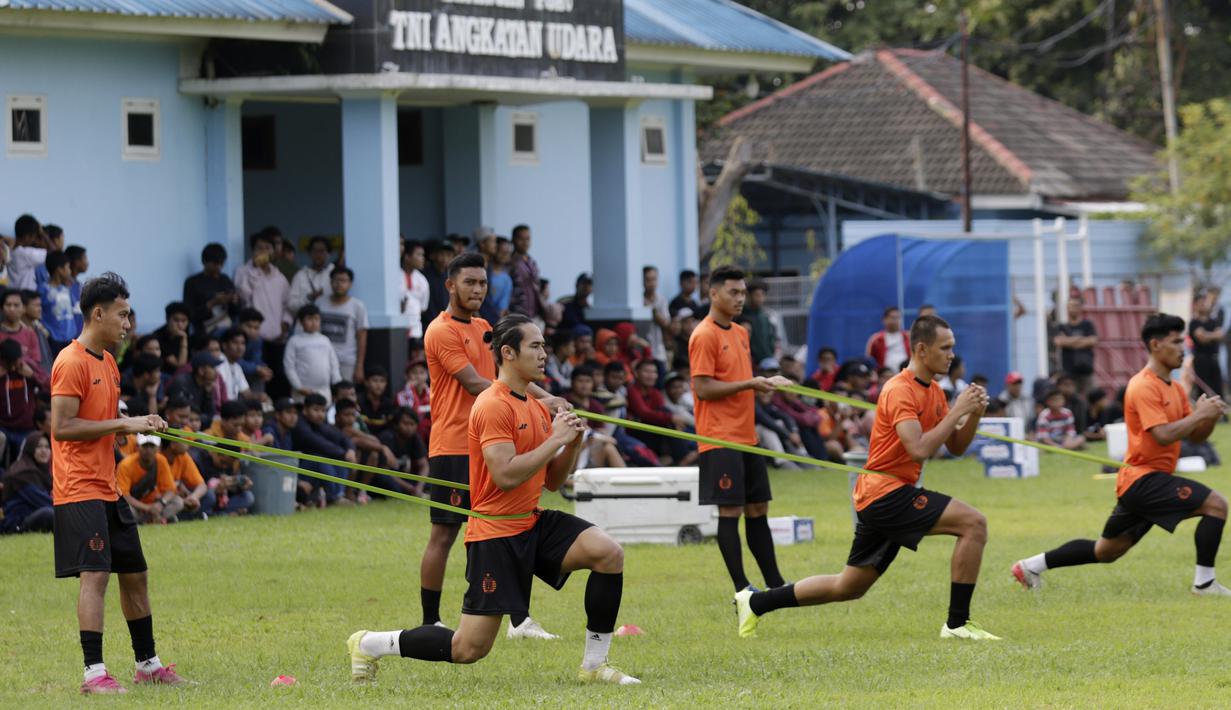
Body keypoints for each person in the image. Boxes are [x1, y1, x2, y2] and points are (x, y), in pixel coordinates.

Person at [348, 315, 639, 686]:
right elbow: (504, 475)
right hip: (495, 535)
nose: (543, 353)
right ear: (507, 352)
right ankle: (369, 643)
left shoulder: (534, 405)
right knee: (468, 648)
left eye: (544, 346)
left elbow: (552, 481)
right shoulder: (491, 405)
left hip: (531, 521)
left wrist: (573, 442)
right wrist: (555, 440)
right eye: (535, 346)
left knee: (608, 553)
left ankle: (594, 666)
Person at [734, 315, 1000, 641]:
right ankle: (957, 624)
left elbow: (956, 446)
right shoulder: (900, 389)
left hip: (884, 494)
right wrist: (958, 412)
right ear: (921, 348)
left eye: (952, 348)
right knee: (974, 523)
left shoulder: (932, 392)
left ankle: (756, 602)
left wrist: (973, 414)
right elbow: (917, 448)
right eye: (945, 348)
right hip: (885, 493)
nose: (951, 355)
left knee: (849, 586)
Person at [1013, 313, 1231, 596]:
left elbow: (1195, 435)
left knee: (1107, 551)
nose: (1183, 349)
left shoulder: (1176, 388)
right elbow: (1162, 434)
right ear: (1155, 345)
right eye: (1176, 342)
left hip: (1143, 481)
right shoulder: (1143, 385)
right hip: (1144, 480)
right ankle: (1204, 583)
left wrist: (1208, 417)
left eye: (1183, 342)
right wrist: (1199, 415)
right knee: (1216, 505)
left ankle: (1030, 566)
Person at [49, 272, 186, 692]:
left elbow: (99, 422)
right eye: (122, 315)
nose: (128, 324)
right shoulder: (69, 362)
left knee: (135, 573)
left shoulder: (108, 363)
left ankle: (147, 665)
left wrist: (124, 427)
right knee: (96, 577)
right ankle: (94, 674)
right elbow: (62, 427)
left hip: (108, 487)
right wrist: (123, 421)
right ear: (98, 313)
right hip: (78, 489)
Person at [420, 252, 565, 639]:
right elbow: (474, 383)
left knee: (513, 525)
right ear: (450, 285)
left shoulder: (485, 326)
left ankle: (518, 620)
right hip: (454, 445)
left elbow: (512, 374)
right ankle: (430, 619)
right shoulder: (441, 330)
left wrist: (549, 398)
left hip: (496, 442)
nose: (477, 289)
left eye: (482, 282)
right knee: (445, 533)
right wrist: (540, 402)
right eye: (469, 282)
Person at [689, 265, 791, 593]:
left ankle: (774, 583)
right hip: (719, 437)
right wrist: (750, 383)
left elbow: (742, 385)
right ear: (713, 293)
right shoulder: (704, 335)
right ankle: (742, 589)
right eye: (733, 292)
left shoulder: (741, 332)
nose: (740, 299)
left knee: (758, 508)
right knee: (730, 511)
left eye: (743, 292)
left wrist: (763, 385)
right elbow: (703, 388)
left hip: (747, 435)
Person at [116, 434, 183, 524]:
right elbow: (124, 496)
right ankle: (150, 520)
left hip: (155, 503)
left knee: (178, 502)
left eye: (152, 446)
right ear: (138, 447)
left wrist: (161, 503)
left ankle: (155, 518)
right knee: (125, 508)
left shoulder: (161, 460)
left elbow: (171, 490)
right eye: (145, 446)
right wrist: (147, 508)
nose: (148, 450)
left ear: (158, 448)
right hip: (136, 505)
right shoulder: (126, 464)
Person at [317, 266, 368, 384]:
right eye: (336, 280)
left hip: (347, 361)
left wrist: (359, 366)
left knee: (345, 395)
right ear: (330, 282)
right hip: (322, 359)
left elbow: (362, 337)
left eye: (343, 281)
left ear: (350, 284)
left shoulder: (357, 306)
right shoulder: (320, 303)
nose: (339, 284)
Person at [283, 304, 341, 402]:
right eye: (309, 319)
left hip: (324, 390)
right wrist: (298, 386)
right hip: (302, 392)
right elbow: (289, 366)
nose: (313, 322)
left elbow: (334, 363)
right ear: (301, 322)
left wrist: (337, 384)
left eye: (316, 319)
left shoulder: (325, 340)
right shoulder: (295, 341)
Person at [1, 432, 55, 533]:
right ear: (30, 448)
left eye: (47, 447)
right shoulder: (23, 473)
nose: (44, 451)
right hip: (16, 524)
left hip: (31, 516)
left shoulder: (40, 471)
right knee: (50, 513)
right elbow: (43, 501)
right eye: (39, 447)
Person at [182, 243, 237, 337]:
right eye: (215, 263)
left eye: (221, 263)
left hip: (228, 323)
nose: (219, 267)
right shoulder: (193, 282)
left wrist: (234, 301)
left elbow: (236, 309)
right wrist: (213, 303)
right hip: (205, 328)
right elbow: (190, 313)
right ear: (204, 261)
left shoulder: (225, 279)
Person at [0, 288, 50, 388]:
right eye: (8, 305)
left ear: (23, 308)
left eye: (16, 305)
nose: (12, 309)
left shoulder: (31, 334)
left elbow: (36, 366)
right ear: (2, 308)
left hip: (26, 392)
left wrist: (30, 372)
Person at [0, 338, 40, 458]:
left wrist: (34, 376)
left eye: (15, 363)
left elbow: (52, 386)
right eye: (9, 364)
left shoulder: (29, 366)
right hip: (3, 427)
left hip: (26, 428)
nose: (13, 368)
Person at [39, 250, 82, 353]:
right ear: (59, 270)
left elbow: (74, 311)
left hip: (70, 339)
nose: (70, 271)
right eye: (67, 267)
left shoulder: (68, 290)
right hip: (54, 340)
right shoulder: (43, 290)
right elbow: (38, 312)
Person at [1052, 296, 1098, 393]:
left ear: (1081, 308)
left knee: (1089, 397)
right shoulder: (1062, 326)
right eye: (1071, 306)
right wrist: (1081, 340)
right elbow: (1059, 342)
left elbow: (1093, 341)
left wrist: (1068, 341)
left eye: (1076, 306)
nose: (1074, 308)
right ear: (1067, 308)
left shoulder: (1087, 324)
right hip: (1069, 372)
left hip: (1086, 370)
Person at [167, 352, 220, 427]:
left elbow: (210, 416)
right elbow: (183, 414)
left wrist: (208, 394)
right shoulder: (182, 383)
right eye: (212, 368)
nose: (216, 372)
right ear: (201, 370)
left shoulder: (206, 385)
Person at [287, 236, 335, 315]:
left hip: (328, 322)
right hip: (305, 324)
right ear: (309, 253)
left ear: (329, 253)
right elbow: (291, 305)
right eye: (314, 251)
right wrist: (309, 298)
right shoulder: (300, 275)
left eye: (322, 251)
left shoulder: (334, 274)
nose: (318, 254)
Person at [1189, 295, 1223, 398]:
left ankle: (1221, 412)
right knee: (1204, 390)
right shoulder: (1194, 323)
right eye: (1201, 303)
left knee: (1217, 388)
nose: (1204, 305)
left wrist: (1207, 335)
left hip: (1213, 358)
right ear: (1195, 305)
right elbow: (1201, 337)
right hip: (1201, 359)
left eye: (1205, 302)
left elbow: (1220, 335)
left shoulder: (1213, 321)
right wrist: (1213, 335)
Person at [508, 225, 544, 321]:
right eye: (521, 239)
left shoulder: (532, 262)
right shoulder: (509, 262)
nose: (525, 243)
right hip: (516, 312)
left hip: (534, 312)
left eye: (527, 239)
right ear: (513, 240)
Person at [10, 214, 53, 291]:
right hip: (26, 297)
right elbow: (54, 254)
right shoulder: (25, 253)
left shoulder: (12, 251)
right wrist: (43, 233)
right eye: (34, 236)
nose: (34, 241)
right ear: (27, 236)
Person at [401, 239, 430, 347]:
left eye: (423, 255)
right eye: (419, 255)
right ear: (407, 257)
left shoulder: (422, 280)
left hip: (416, 332)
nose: (422, 259)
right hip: (398, 331)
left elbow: (423, 308)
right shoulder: (394, 276)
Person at [740, 281, 777, 365]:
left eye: (763, 295)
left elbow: (771, 337)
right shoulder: (741, 315)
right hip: (750, 361)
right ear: (749, 296)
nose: (760, 298)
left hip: (767, 359)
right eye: (757, 295)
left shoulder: (765, 316)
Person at [642, 266, 671, 365]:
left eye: (654, 279)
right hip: (643, 349)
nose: (652, 283)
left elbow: (666, 323)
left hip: (658, 350)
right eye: (648, 280)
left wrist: (651, 310)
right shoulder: (638, 299)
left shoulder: (662, 300)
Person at [153, 302, 190, 374]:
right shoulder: (158, 337)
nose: (180, 324)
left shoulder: (189, 334)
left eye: (183, 321)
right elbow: (180, 366)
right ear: (167, 319)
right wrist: (184, 340)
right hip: (163, 374)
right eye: (176, 320)